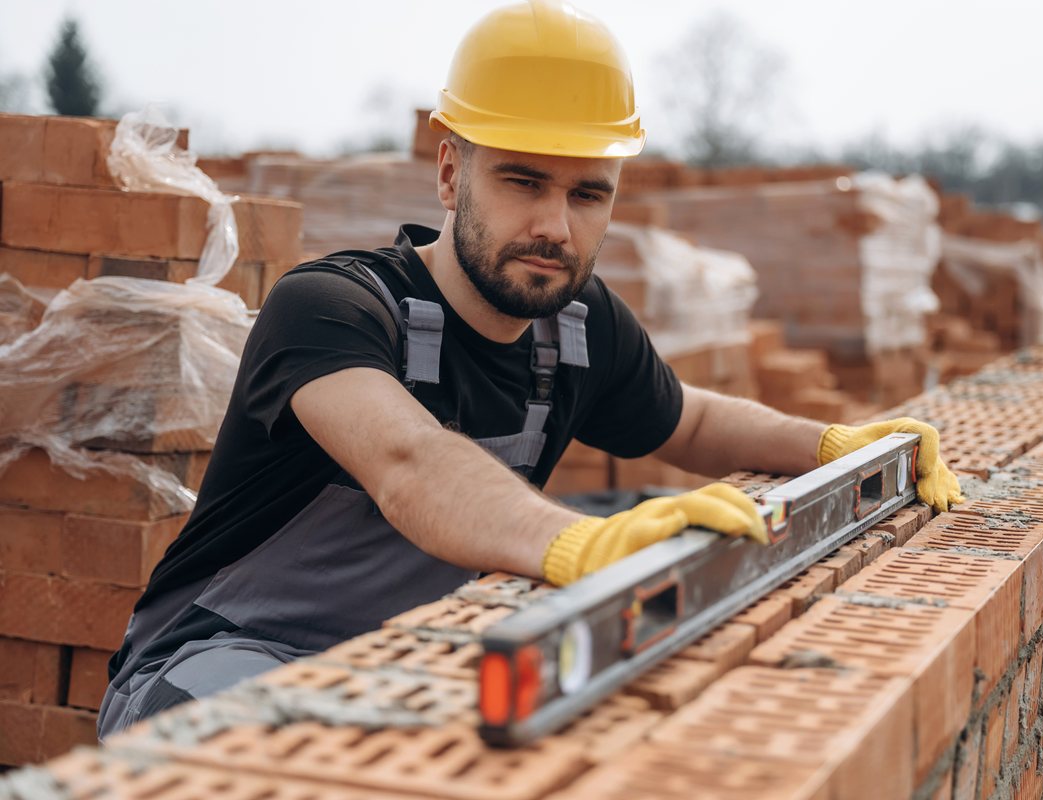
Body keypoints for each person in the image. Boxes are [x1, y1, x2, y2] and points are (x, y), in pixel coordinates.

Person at [97, 0, 963, 740]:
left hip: (401, 665)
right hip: (216, 663)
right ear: (450, 170)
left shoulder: (579, 330)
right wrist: (575, 542)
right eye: (524, 181)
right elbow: (409, 464)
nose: (556, 225)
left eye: (589, 193)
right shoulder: (332, 309)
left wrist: (838, 445)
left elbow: (689, 422)